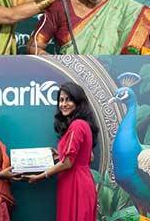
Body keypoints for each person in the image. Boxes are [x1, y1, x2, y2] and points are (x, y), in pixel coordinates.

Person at [25, 82, 99, 221]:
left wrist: (40, 176)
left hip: (75, 184)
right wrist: (59, 154)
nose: (63, 104)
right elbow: (88, 158)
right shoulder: (83, 124)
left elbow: (68, 163)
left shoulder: (76, 125)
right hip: (79, 181)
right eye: (61, 100)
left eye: (68, 99)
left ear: (78, 101)